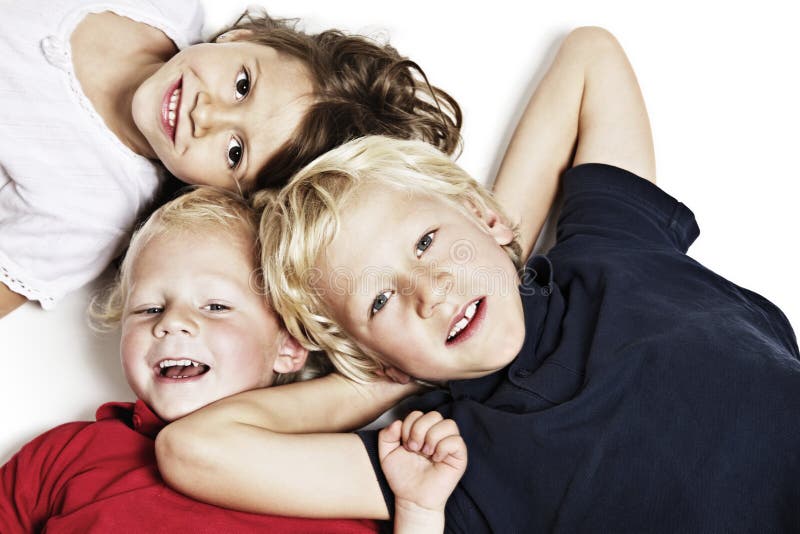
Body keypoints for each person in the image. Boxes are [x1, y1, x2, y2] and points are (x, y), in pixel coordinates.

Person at [155, 27, 800, 533]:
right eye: (380, 299)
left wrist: (496, 248)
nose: (429, 290)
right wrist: (383, 373)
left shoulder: (611, 249)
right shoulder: (441, 464)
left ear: (484, 214)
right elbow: (192, 450)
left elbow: (590, 58)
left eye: (428, 242)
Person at [0, 186, 427, 532]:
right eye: (149, 308)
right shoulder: (69, 455)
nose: (172, 324)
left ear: (290, 345)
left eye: (216, 307)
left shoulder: (329, 477)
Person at [0, 0, 461, 318]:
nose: (207, 114)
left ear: (218, 193)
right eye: (242, 85)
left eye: (235, 151)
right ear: (247, 36)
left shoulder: (89, 217)